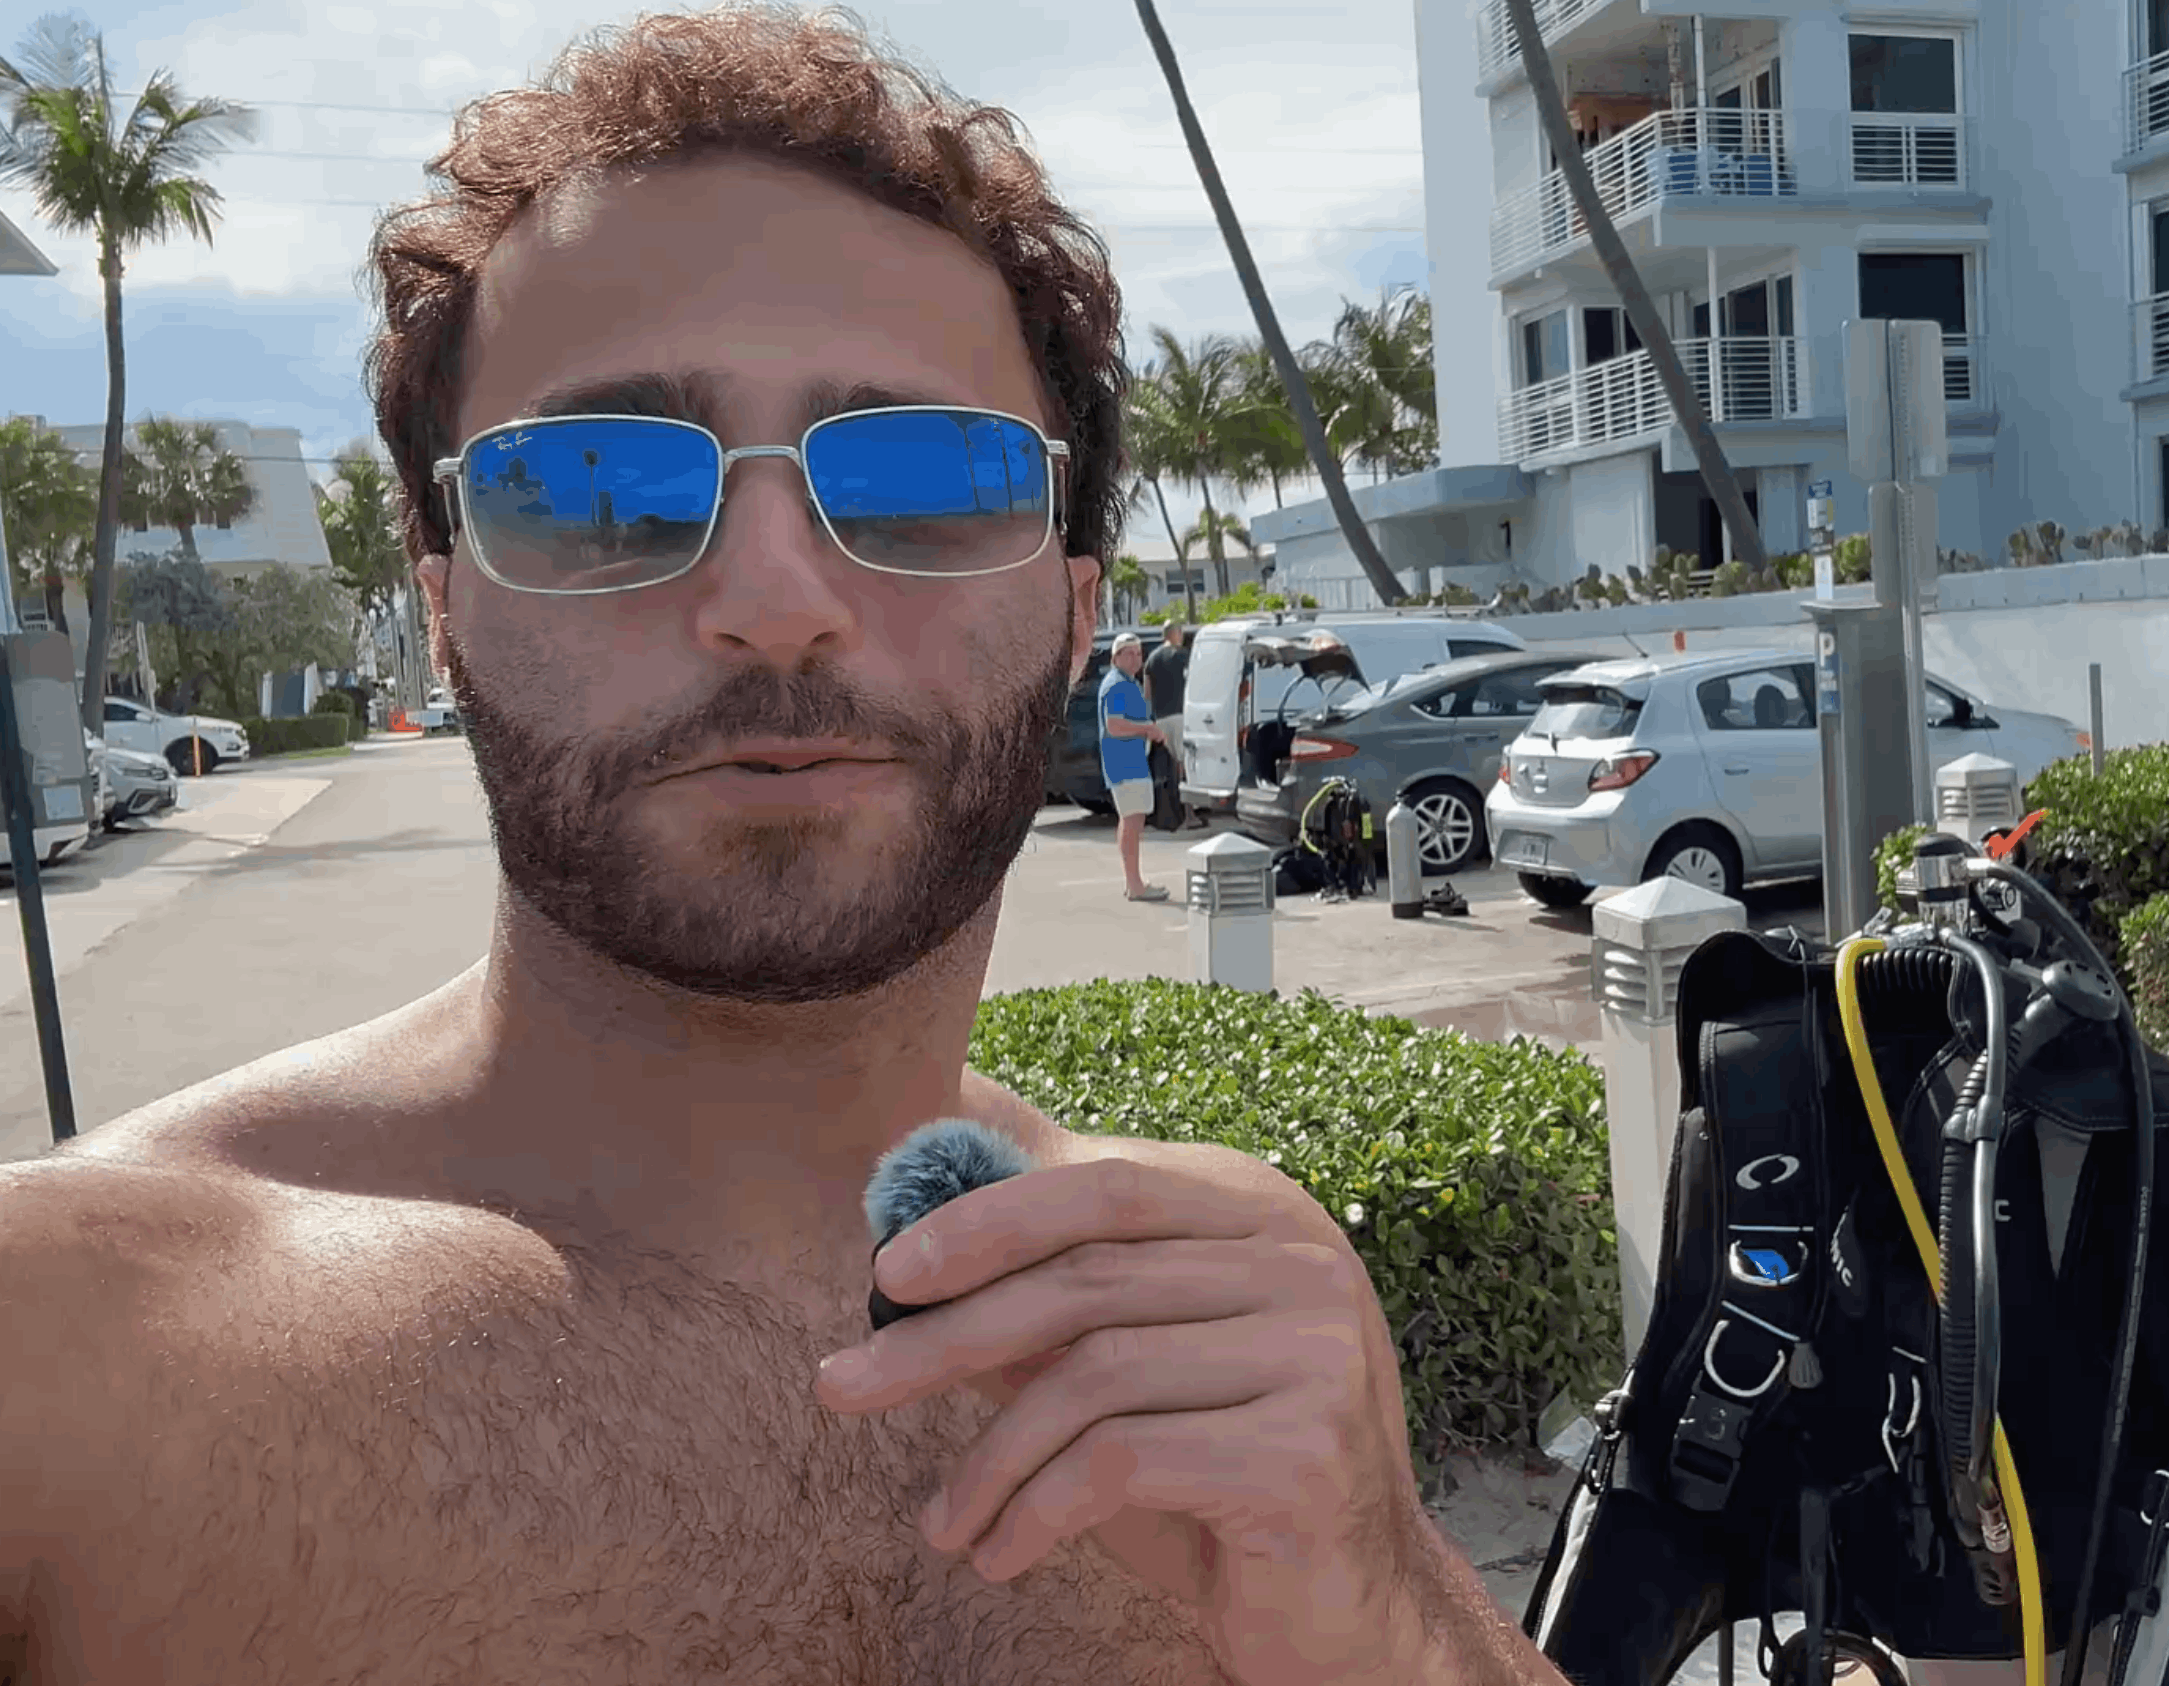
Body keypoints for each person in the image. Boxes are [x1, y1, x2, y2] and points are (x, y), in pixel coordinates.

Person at [0, 10, 1567, 1686]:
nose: (773, 600)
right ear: (445, 610)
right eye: (591, 486)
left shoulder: (1208, 1301)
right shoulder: (68, 1363)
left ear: (1074, 610)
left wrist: (1387, 1624)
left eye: (923, 478)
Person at [1098, 631, 1170, 900]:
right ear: (1115, 657)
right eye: (1128, 653)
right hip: (1125, 764)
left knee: (1132, 821)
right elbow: (1114, 725)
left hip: (1132, 763)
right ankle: (1135, 884)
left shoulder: (1128, 683)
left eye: (1138, 653)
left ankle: (1133, 882)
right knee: (1131, 822)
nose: (1135, 658)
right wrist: (1148, 729)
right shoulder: (1117, 685)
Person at [1145, 620, 1198, 829]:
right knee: (1185, 767)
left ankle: (1168, 814)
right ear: (1174, 634)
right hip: (1180, 717)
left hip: (1160, 719)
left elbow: (1147, 694)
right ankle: (1189, 815)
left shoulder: (1152, 659)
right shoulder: (1184, 656)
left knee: (1169, 767)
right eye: (1180, 632)